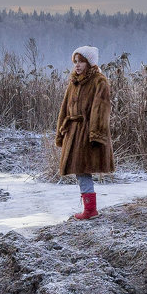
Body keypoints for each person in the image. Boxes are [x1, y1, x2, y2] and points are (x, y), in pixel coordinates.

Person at [55, 45, 114, 219]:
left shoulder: (99, 81)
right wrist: (60, 133)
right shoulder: (74, 81)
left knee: (82, 170)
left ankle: (90, 210)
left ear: (90, 62)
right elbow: (64, 109)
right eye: (75, 62)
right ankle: (89, 209)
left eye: (81, 61)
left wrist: (96, 135)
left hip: (87, 133)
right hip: (73, 132)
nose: (78, 65)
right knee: (80, 171)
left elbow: (101, 110)